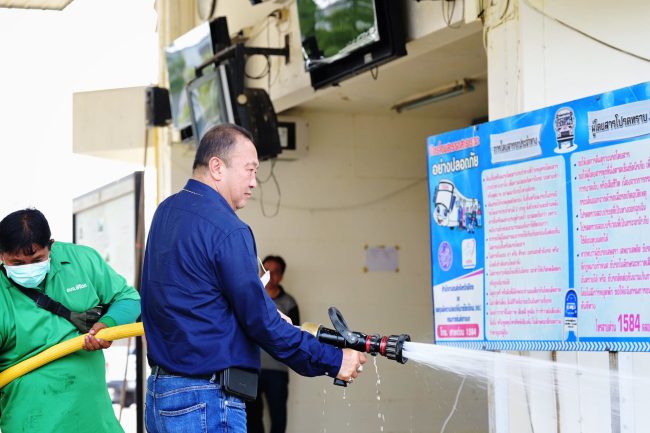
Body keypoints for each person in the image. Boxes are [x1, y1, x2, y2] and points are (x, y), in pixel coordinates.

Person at [141, 124, 366, 433]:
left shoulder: (165, 212)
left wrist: (266, 311)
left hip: (159, 395)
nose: (253, 182)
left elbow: (193, 298)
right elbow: (261, 325)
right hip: (205, 401)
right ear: (217, 167)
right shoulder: (228, 229)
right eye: (249, 170)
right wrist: (334, 360)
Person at [0, 208, 141, 433]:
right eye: (17, 264)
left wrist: (109, 325)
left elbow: (128, 298)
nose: (28, 269)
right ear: (1, 255)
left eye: (37, 259)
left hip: (95, 421)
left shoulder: (81, 260)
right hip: (32, 423)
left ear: (51, 246)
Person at [246, 255, 298, 433]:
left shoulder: (289, 303)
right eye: (265, 270)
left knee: (278, 417)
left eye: (275, 272)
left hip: (278, 370)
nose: (269, 275)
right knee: (252, 416)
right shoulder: (251, 298)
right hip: (252, 368)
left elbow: (295, 335)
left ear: (281, 276)